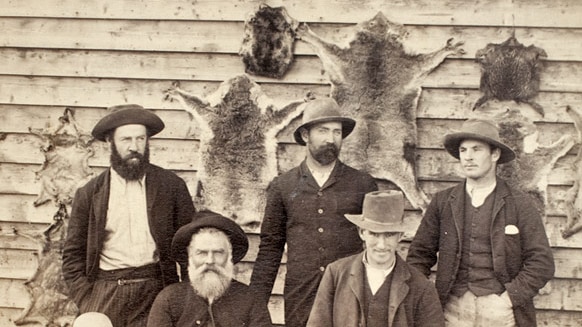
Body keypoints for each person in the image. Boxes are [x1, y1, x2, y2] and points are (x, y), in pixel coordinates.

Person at [406, 118, 555, 327]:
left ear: (494, 154)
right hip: (452, 310)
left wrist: (508, 299)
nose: (468, 157)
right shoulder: (443, 202)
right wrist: (428, 298)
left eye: (476, 149)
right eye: (463, 150)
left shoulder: (520, 204)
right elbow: (419, 255)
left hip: (501, 311)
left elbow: (542, 262)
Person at [62, 104, 196, 327]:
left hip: (157, 289)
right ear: (110, 142)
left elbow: (189, 248)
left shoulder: (171, 187)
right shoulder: (89, 194)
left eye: (140, 139)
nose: (134, 147)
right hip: (106, 291)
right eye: (126, 140)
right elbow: (72, 256)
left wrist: (185, 297)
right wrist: (87, 300)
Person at [250, 97, 378, 327]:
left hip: (349, 293)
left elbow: (378, 243)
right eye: (323, 131)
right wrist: (253, 305)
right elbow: (270, 247)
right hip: (301, 296)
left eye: (337, 132)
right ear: (305, 135)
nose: (331, 139)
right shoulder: (283, 186)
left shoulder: (362, 184)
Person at [306, 190, 445, 327]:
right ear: (362, 233)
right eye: (374, 234)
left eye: (389, 235)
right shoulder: (336, 274)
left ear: (400, 236)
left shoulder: (421, 286)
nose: (381, 245)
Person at [148, 210, 273, 327]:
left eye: (218, 252)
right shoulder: (169, 299)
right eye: (202, 253)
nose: (210, 261)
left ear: (229, 256)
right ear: (190, 257)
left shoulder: (250, 300)